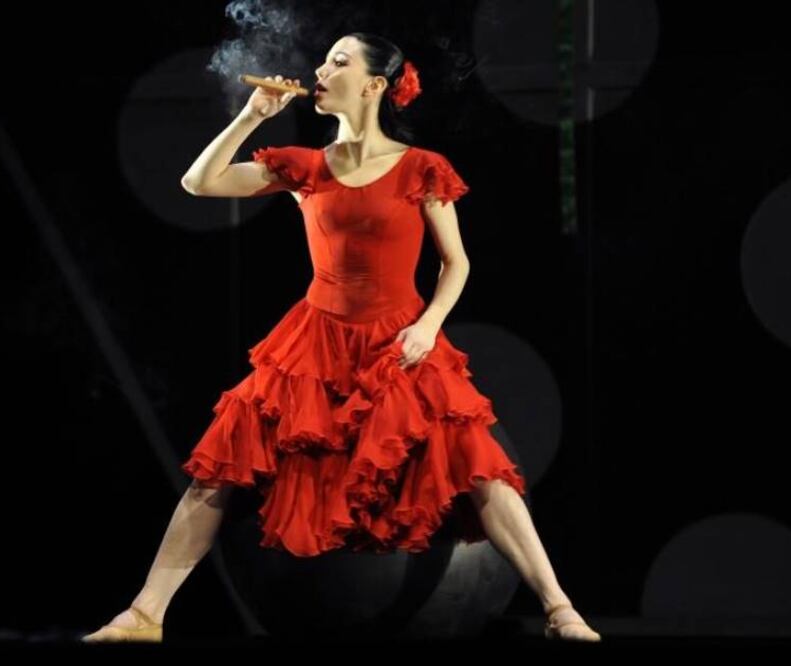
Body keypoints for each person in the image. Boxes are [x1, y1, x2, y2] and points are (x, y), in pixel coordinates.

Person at [82, 33, 600, 644]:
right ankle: (145, 615)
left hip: (400, 342)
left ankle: (560, 610)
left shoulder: (421, 168)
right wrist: (252, 117)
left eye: (338, 61)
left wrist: (428, 325)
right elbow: (200, 182)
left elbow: (455, 263)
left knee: (481, 469)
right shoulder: (305, 166)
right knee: (218, 470)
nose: (321, 71)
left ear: (375, 85)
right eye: (325, 60)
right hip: (312, 344)